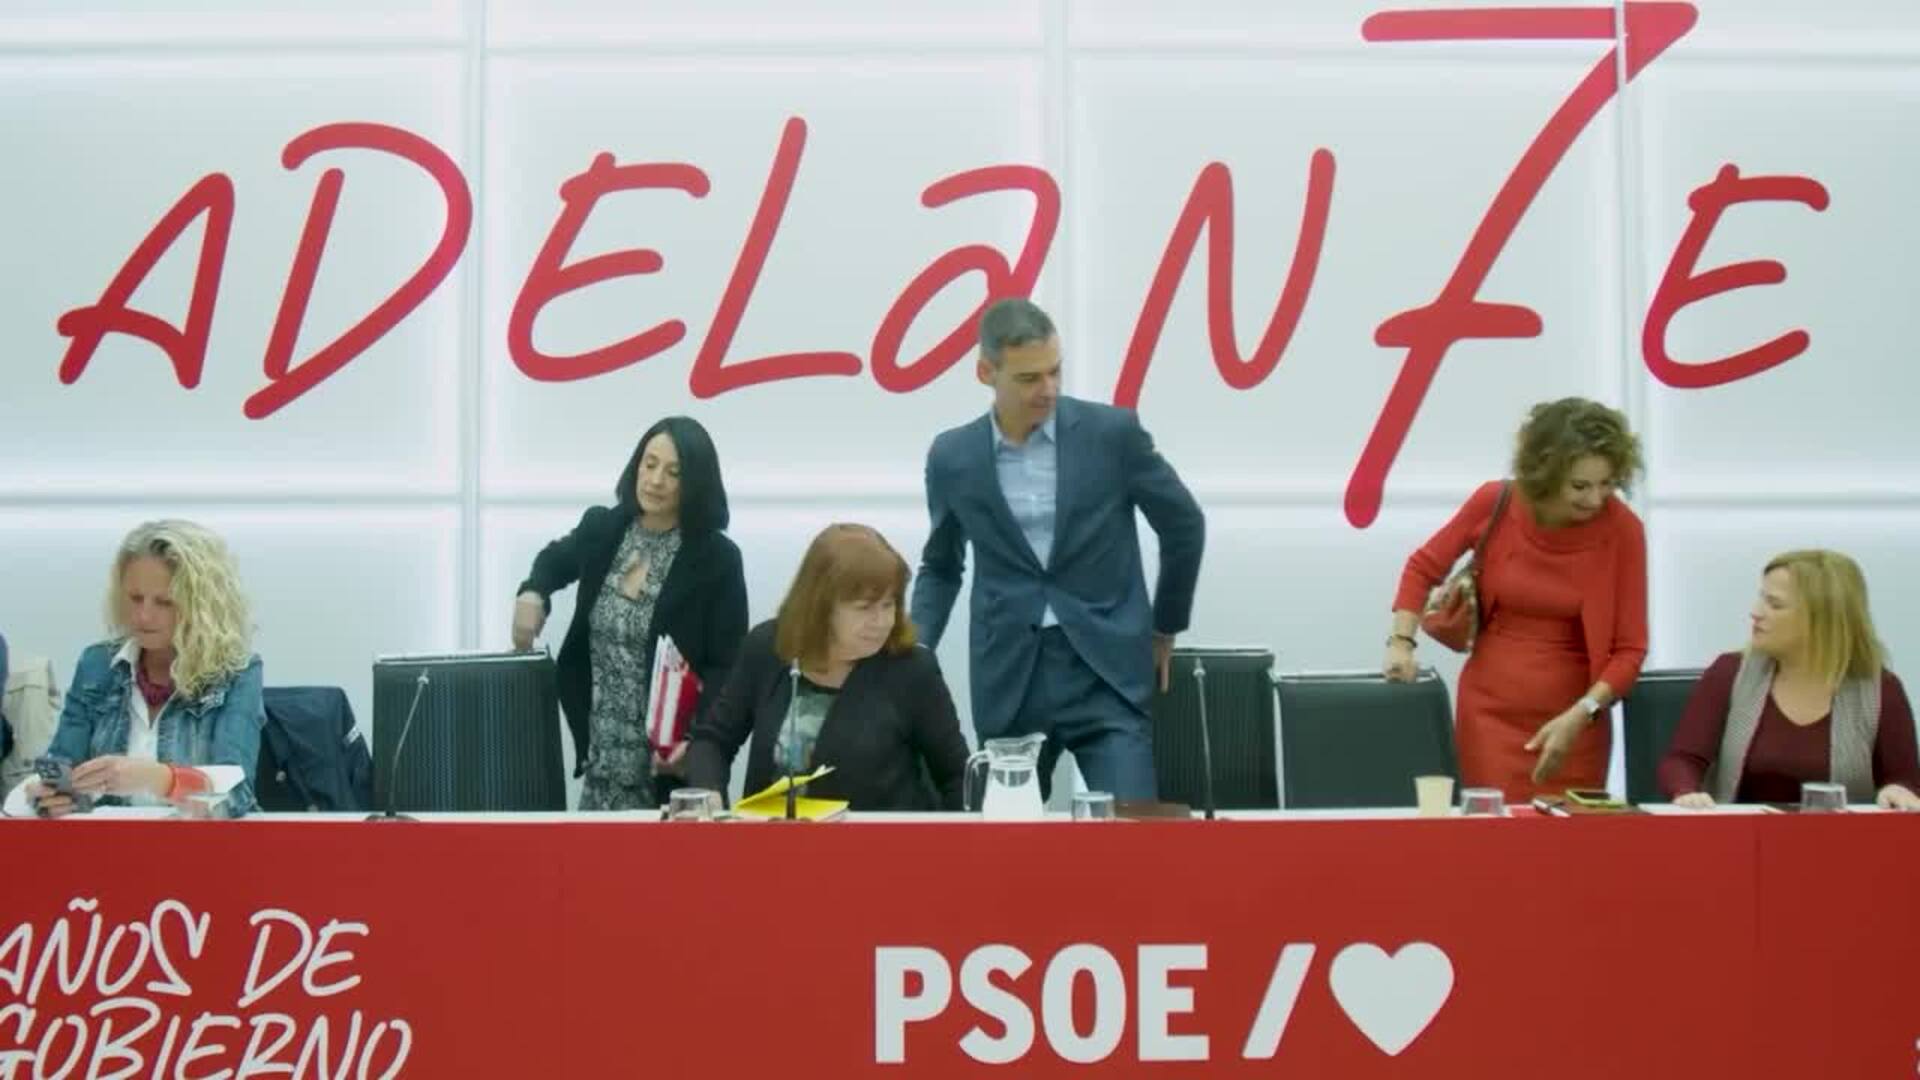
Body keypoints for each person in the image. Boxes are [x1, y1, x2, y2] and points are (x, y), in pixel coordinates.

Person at [910, 297, 1205, 801]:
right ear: (986, 373)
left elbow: (1183, 524)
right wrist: (915, 650)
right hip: (1010, 676)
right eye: (1029, 378)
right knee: (1009, 841)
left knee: (1132, 831)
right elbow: (940, 566)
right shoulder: (952, 456)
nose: (1047, 389)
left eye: (1055, 372)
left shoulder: (1112, 435)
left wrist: (1165, 625)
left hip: (1106, 671)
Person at [1384, 397, 1648, 801]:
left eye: (1607, 484)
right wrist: (1401, 642)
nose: (1596, 499)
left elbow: (1630, 650)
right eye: (1580, 486)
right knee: (1492, 832)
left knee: (1568, 835)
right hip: (1488, 715)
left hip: (1576, 725)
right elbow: (1423, 568)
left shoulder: (1624, 530)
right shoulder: (1496, 502)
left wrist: (1585, 712)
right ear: (1544, 472)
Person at [514, 416, 748, 810]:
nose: (655, 480)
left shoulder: (717, 558)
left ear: (696, 483)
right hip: (601, 761)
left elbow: (727, 666)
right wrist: (533, 592)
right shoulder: (604, 527)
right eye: (649, 464)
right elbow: (553, 562)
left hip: (670, 769)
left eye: (673, 472)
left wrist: (700, 744)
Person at [686, 524, 969, 811]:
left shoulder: (912, 669)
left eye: (888, 605)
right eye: (865, 608)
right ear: (822, 606)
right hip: (773, 834)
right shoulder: (768, 648)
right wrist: (709, 794)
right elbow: (713, 741)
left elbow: (958, 777)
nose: (882, 621)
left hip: (877, 837)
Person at [3, 520, 264, 818]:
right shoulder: (97, 665)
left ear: (204, 606)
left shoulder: (237, 671)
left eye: (164, 602)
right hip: (107, 843)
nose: (143, 616)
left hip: (197, 844)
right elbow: (61, 768)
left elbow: (236, 795)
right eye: (135, 598)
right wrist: (50, 796)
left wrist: (159, 778)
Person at [1660, 550, 1920, 809]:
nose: (1755, 612)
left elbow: (1905, 781)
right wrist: (1687, 791)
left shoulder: (1881, 690)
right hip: (1742, 832)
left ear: (1822, 619)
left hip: (1842, 833)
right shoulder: (1729, 672)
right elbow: (1684, 759)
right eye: (1761, 599)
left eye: (1775, 605)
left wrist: (1898, 791)